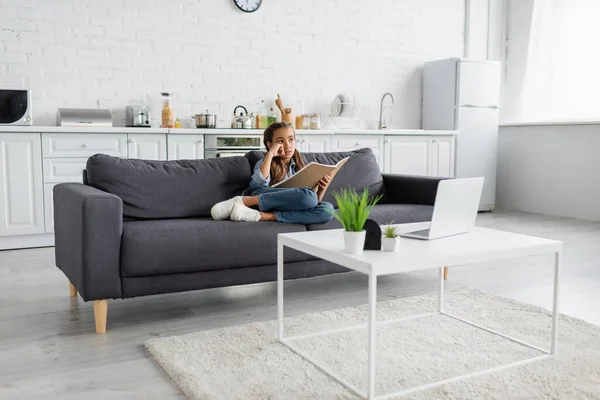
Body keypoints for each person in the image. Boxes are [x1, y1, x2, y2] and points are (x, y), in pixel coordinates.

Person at [210, 121, 335, 223]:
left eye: (291, 139)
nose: (287, 145)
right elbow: (257, 186)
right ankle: (242, 201)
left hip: (289, 206)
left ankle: (261, 216)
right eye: (281, 141)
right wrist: (270, 154)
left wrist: (322, 188)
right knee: (308, 196)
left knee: (327, 209)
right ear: (270, 145)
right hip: (264, 197)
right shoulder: (266, 162)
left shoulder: (300, 166)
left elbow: (311, 203)